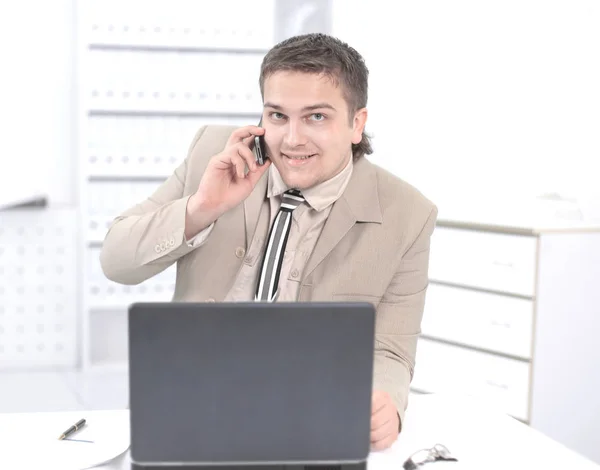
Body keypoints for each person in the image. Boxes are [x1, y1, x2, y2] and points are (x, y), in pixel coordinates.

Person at [100, 33, 437, 451]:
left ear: (356, 123)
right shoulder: (214, 151)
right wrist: (202, 207)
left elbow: (391, 348)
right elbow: (116, 261)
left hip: (308, 419)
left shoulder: (409, 214)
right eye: (278, 116)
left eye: (316, 117)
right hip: (190, 406)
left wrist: (388, 403)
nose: (292, 139)